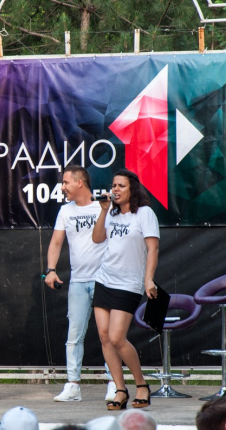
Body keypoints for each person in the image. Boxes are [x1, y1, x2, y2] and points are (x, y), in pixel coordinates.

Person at [45, 165, 116, 402]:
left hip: (104, 280)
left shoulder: (104, 206)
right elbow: (56, 242)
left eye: (65, 182)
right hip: (77, 281)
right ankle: (73, 385)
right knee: (74, 334)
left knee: (107, 334)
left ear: (79, 183)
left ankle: (114, 383)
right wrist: (51, 270)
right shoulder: (65, 210)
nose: (62, 187)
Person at [91, 169, 159, 410]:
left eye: (121, 186)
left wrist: (148, 280)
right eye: (114, 185)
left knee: (117, 338)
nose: (115, 189)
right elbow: (97, 238)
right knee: (104, 337)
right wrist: (103, 210)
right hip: (104, 280)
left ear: (133, 189)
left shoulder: (144, 213)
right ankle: (120, 389)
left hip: (128, 284)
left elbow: (153, 249)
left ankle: (141, 384)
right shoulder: (111, 213)